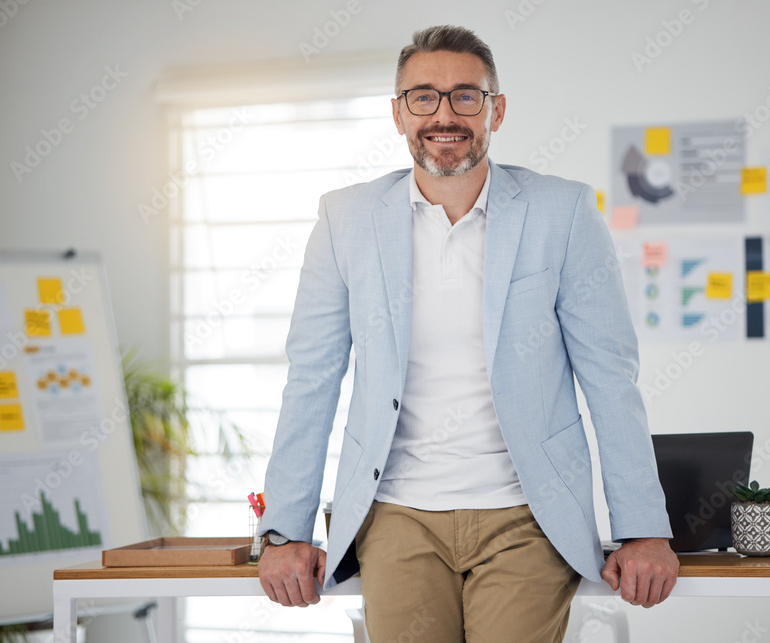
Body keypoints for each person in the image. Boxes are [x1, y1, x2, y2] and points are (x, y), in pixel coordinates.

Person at [258, 24, 678, 642]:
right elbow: (312, 378)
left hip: (527, 517)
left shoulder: (563, 213)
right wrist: (285, 531)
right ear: (399, 114)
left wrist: (645, 527)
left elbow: (610, 378)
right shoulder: (345, 220)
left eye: (466, 96)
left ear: (496, 110)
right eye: (423, 97)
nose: (444, 114)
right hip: (396, 514)